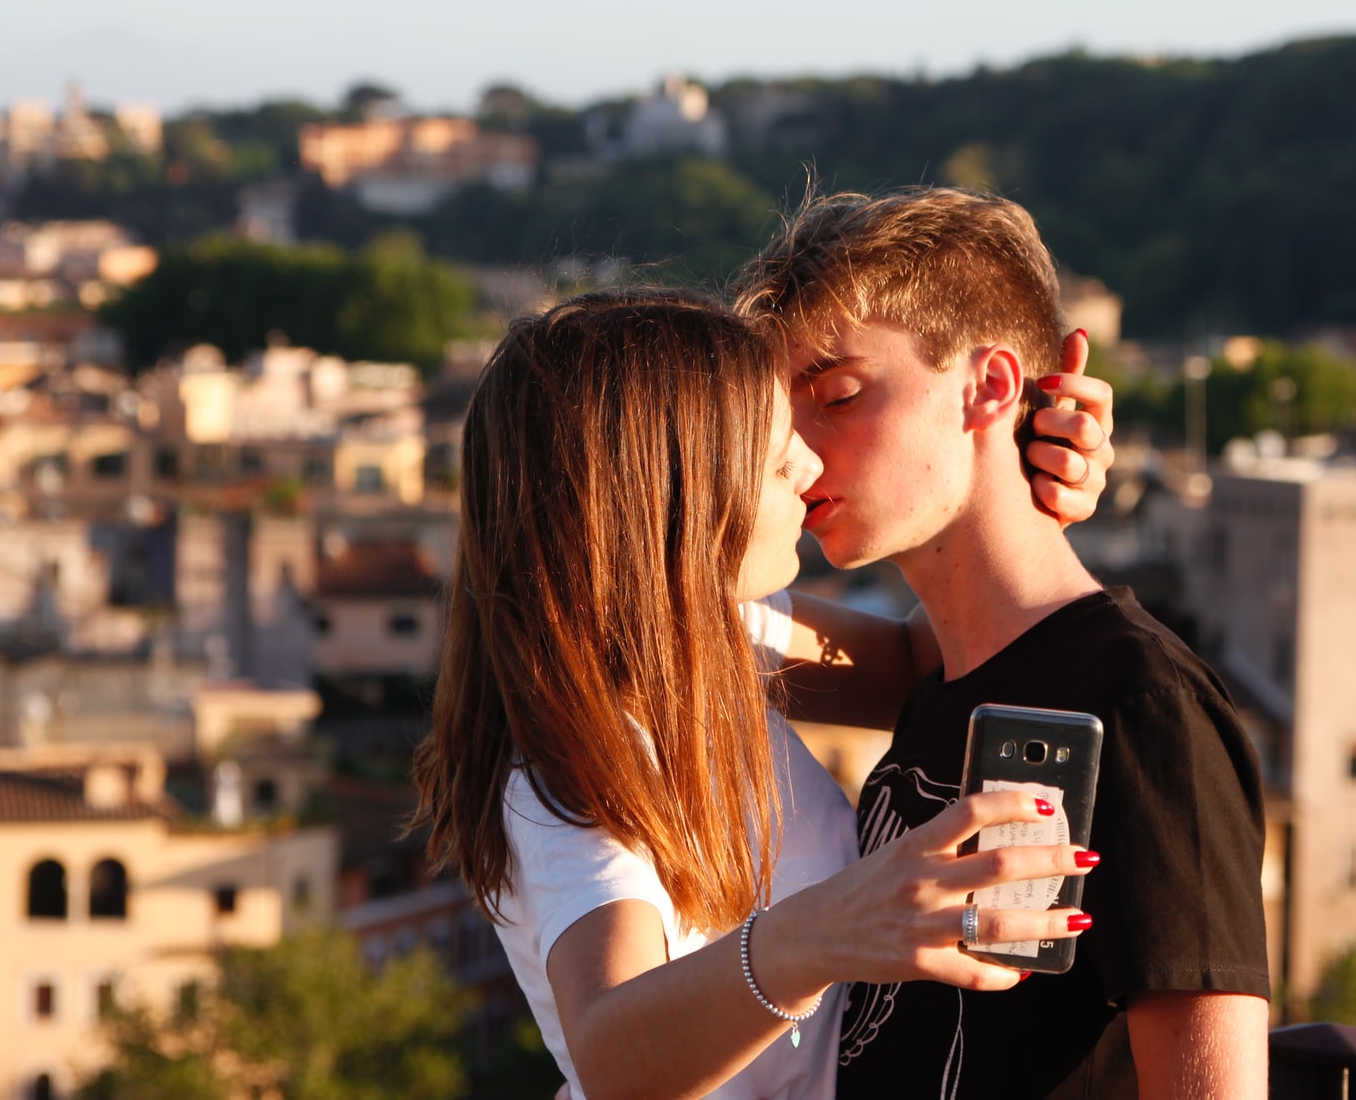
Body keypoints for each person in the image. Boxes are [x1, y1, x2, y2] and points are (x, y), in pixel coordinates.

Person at [409, 290, 1115, 1100]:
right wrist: (827, 934)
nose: (811, 468)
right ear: (673, 504)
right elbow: (610, 1049)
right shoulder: (574, 773)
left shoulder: (725, 636)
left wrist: (1016, 478)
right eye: (780, 459)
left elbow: (932, 655)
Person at [735, 189, 1272, 1100]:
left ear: (988, 387)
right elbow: (674, 631)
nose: (799, 452)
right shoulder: (942, 674)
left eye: (838, 395)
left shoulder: (1139, 703)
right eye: (784, 416)